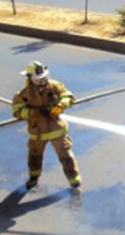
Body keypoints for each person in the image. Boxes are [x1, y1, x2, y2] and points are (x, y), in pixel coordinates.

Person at [11, 61, 82, 190]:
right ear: (30, 78)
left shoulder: (55, 86)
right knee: (35, 155)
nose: (42, 81)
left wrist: (61, 106)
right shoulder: (23, 94)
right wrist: (34, 112)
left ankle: (74, 180)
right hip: (37, 132)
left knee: (65, 155)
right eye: (39, 79)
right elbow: (17, 112)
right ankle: (34, 177)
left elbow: (68, 96)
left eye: (44, 78)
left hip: (57, 129)